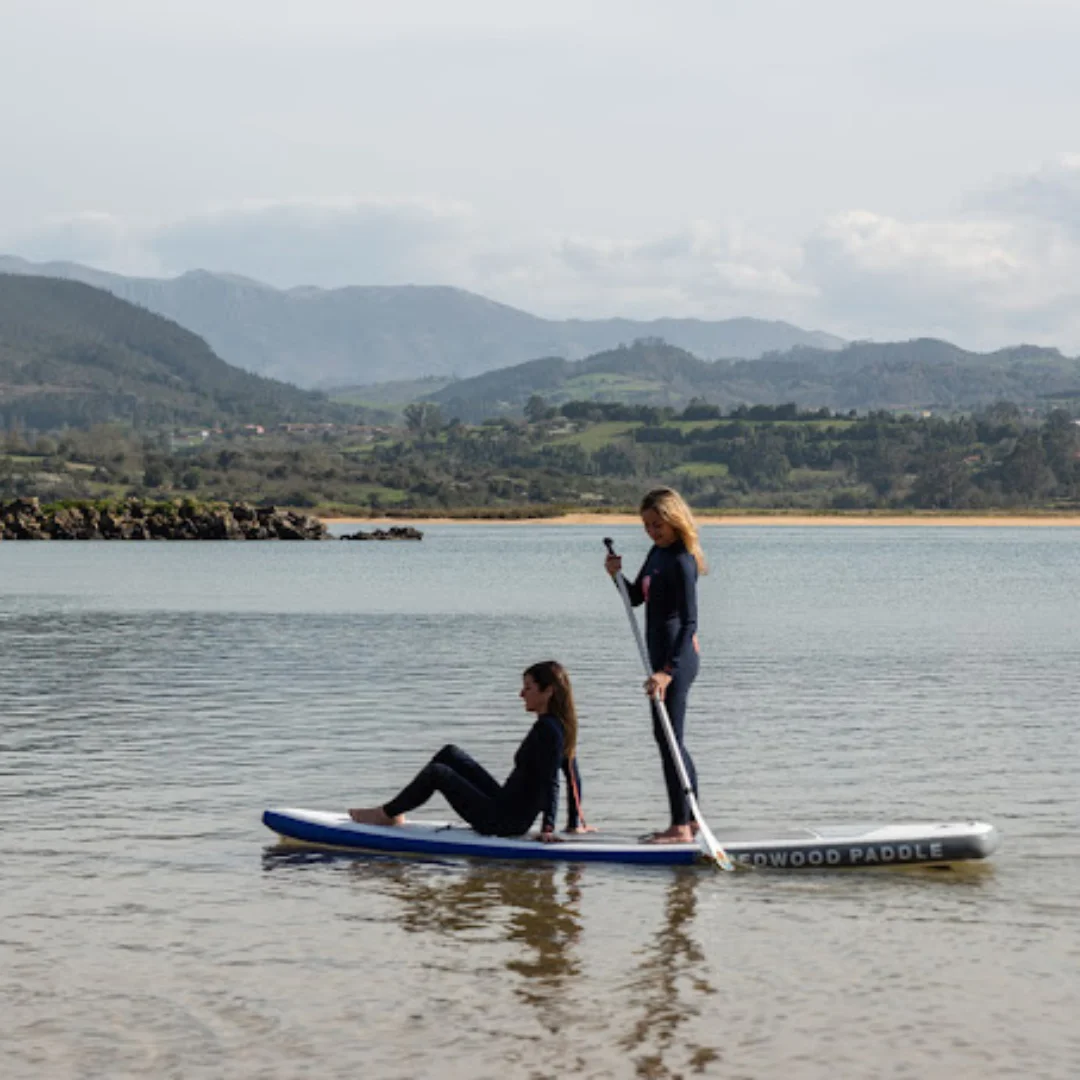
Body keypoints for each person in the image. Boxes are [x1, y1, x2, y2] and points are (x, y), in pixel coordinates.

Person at [348, 661, 581, 841]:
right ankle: (395, 811)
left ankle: (386, 815)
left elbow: (552, 781)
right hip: (505, 805)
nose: (521, 694)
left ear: (548, 691)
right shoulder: (558, 727)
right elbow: (572, 776)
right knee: (450, 753)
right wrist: (574, 824)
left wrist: (548, 828)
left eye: (528, 688)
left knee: (437, 773)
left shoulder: (548, 730)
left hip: (503, 822)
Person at [604, 487, 707, 843]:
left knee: (668, 740)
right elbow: (636, 598)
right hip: (660, 657)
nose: (652, 531)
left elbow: (690, 622)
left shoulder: (682, 560)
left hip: (677, 659)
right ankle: (692, 820)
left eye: (657, 524)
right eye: (646, 526)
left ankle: (680, 827)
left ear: (674, 519)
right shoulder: (656, 554)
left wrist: (667, 671)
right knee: (670, 739)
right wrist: (616, 576)